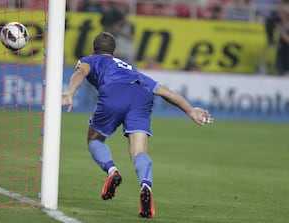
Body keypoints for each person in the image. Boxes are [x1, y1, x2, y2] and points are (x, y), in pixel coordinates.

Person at [61, 32, 214, 218]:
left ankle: (112, 171)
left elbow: (81, 72)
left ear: (93, 50)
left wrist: (70, 92)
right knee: (139, 152)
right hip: (142, 94)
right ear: (115, 52)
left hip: (114, 91)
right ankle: (145, 185)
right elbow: (164, 91)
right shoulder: (130, 68)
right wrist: (190, 110)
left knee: (94, 139)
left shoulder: (90, 60)